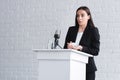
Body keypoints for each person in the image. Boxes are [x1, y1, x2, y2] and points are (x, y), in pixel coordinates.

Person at [63, 6, 100, 80]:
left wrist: (81, 48)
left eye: (82, 15)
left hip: (87, 69)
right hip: (72, 67)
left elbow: (96, 51)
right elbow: (64, 48)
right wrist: (68, 47)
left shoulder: (93, 30)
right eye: (77, 16)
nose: (79, 18)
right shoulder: (71, 30)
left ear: (88, 17)